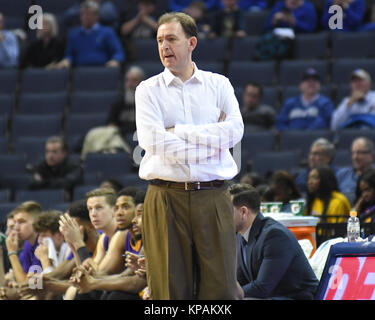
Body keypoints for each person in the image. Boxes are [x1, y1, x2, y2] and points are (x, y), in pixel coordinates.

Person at [135, 12, 244, 300]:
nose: (164, 46)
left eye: (171, 39)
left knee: (222, 291)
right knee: (169, 292)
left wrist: (180, 131)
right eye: (159, 40)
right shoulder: (147, 90)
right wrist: (212, 144)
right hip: (165, 196)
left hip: (214, 195)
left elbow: (234, 132)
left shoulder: (219, 84)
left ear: (191, 42)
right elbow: (152, 142)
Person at [229, 184, 319, 299]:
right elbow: (241, 281)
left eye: (226, 211)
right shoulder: (240, 235)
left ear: (243, 212)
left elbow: (262, 288)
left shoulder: (274, 235)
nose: (221, 217)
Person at [69, 193, 146, 300]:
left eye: (99, 208)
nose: (93, 214)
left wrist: (78, 244)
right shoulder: (106, 238)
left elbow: (100, 272)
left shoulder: (121, 235)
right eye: (90, 209)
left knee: (114, 295)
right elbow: (98, 273)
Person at [56, 0, 124, 69]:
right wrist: (67, 61)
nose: (85, 17)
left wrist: (115, 60)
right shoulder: (73, 34)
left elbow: (118, 52)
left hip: (102, 70)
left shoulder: (107, 32)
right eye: (83, 14)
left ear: (96, 16)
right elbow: (69, 54)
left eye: (89, 14)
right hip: (80, 72)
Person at [6, 202, 43, 284]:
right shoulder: (28, 244)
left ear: (36, 222)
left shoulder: (43, 243)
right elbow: (19, 278)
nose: (16, 228)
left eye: (21, 222)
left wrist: (12, 253)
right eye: (15, 222)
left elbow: (29, 285)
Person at [107, 66, 145, 137]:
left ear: (142, 83)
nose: (130, 84)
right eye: (127, 80)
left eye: (134, 80)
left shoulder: (148, 104)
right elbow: (111, 125)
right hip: (120, 137)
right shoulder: (118, 103)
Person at [336, 137, 375, 205]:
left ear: (372, 155)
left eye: (360, 153)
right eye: (353, 153)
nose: (355, 157)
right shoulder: (342, 175)